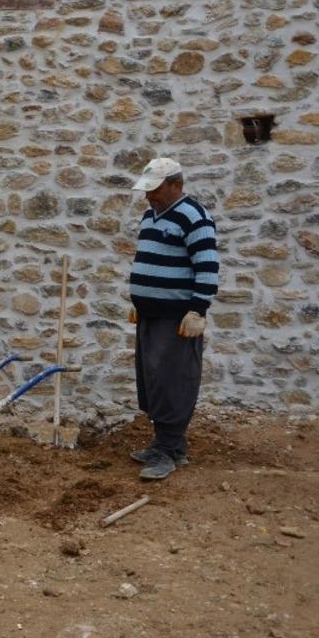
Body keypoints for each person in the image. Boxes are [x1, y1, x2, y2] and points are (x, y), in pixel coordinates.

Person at [128, 157, 218, 481]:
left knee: (173, 381)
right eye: (147, 190)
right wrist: (140, 299)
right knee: (153, 381)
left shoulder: (195, 217)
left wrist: (198, 310)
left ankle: (168, 451)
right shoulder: (150, 216)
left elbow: (207, 266)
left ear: (175, 186)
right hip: (150, 315)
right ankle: (166, 445)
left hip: (178, 319)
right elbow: (148, 260)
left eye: (155, 190)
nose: (148, 196)